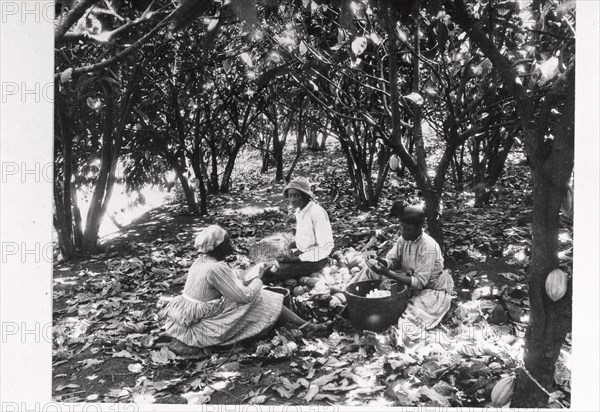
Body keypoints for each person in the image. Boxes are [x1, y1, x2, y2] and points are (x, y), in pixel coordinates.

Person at [162, 225, 327, 356]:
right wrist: (260, 277)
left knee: (262, 293)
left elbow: (231, 286)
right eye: (228, 242)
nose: (232, 244)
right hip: (202, 322)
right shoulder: (216, 268)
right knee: (262, 296)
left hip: (190, 314)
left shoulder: (201, 261)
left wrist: (254, 273)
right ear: (219, 247)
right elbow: (245, 296)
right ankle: (307, 325)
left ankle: (304, 324)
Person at [355, 203, 454, 333]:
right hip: (406, 279)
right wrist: (383, 263)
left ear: (420, 227)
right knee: (369, 271)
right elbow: (393, 260)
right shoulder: (404, 238)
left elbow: (419, 283)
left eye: (408, 229)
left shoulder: (428, 247)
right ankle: (353, 302)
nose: (403, 232)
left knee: (409, 322)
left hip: (429, 289)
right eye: (402, 228)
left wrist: (387, 273)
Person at [266, 177, 334, 280]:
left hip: (316, 261)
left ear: (306, 196)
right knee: (270, 261)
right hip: (301, 255)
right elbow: (304, 239)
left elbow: (325, 248)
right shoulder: (299, 211)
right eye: (290, 196)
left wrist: (296, 259)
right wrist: (290, 247)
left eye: (296, 196)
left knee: (272, 272)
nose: (292, 200)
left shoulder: (316, 212)